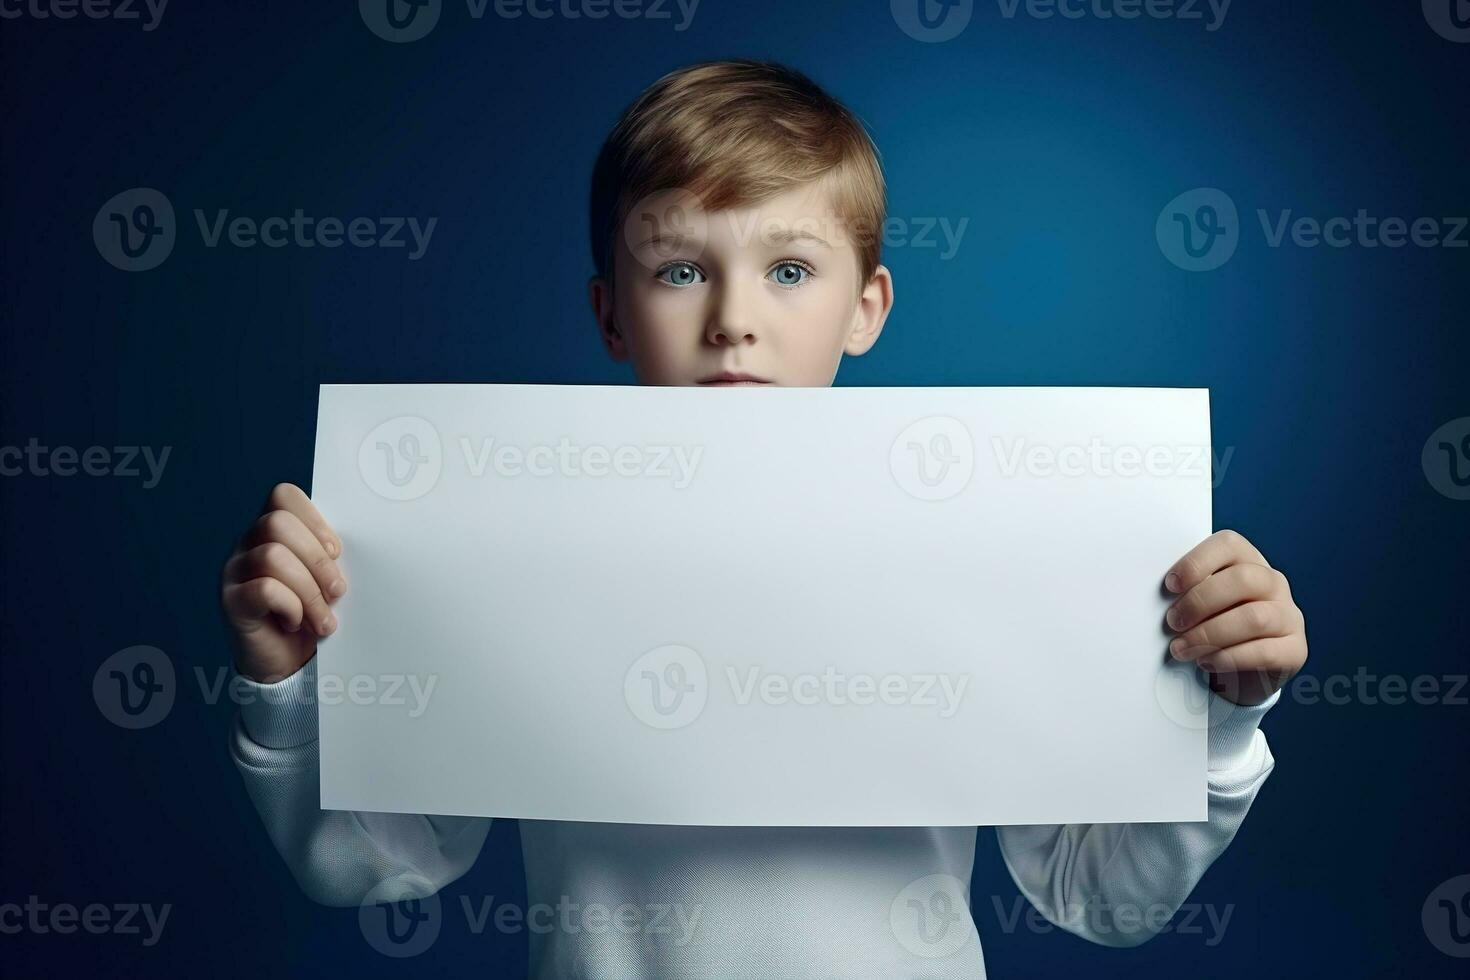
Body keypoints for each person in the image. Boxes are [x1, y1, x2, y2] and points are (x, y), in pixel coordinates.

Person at [221, 59, 1308, 977]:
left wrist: (1214, 715)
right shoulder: (502, 540)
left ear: (866, 306)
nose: (734, 321)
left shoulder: (976, 536)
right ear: (610, 312)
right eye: (681, 269)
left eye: (789, 269)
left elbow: (1101, 894)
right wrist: (287, 684)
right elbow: (376, 864)